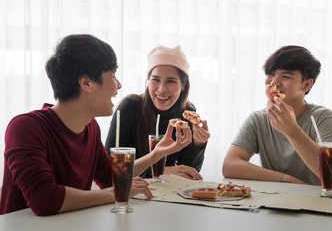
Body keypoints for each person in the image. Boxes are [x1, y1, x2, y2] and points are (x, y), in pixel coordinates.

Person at [0, 34, 192, 216]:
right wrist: (116, 193)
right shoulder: (25, 128)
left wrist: (157, 154)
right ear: (86, 82)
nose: (119, 85)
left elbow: (109, 177)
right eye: (113, 76)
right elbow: (44, 199)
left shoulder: (90, 127)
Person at [222, 45, 332, 188]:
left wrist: (292, 130)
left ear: (306, 85)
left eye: (286, 76)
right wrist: (286, 180)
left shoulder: (323, 118)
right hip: (276, 201)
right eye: (270, 74)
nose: (274, 83)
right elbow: (230, 165)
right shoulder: (258, 119)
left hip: (319, 203)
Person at [105, 45, 210, 180]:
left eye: (171, 81)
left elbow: (189, 171)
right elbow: (110, 166)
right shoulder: (130, 107)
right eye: (155, 80)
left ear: (184, 86)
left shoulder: (187, 113)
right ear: (148, 81)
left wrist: (199, 144)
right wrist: (160, 171)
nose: (161, 89)